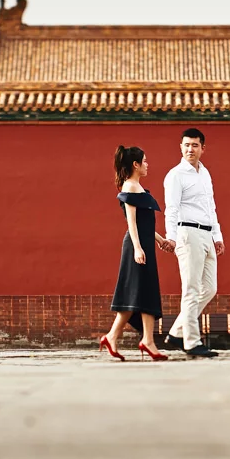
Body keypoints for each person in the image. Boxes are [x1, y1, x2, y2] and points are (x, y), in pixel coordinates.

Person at [103, 146, 176, 361]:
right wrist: (137, 248)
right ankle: (145, 341)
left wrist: (160, 240)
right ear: (135, 165)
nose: (147, 164)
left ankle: (118, 337)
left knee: (142, 293)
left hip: (144, 244)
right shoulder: (130, 186)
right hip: (137, 247)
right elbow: (132, 223)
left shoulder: (137, 186)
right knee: (140, 291)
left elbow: (145, 224)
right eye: (144, 161)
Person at [162, 127, 222, 357]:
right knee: (191, 289)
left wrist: (217, 236)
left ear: (202, 148)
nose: (190, 149)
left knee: (210, 288)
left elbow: (211, 207)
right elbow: (171, 209)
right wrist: (171, 237)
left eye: (195, 145)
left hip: (206, 234)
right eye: (186, 145)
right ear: (180, 147)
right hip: (187, 233)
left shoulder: (205, 173)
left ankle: (177, 333)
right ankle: (192, 342)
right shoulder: (176, 175)